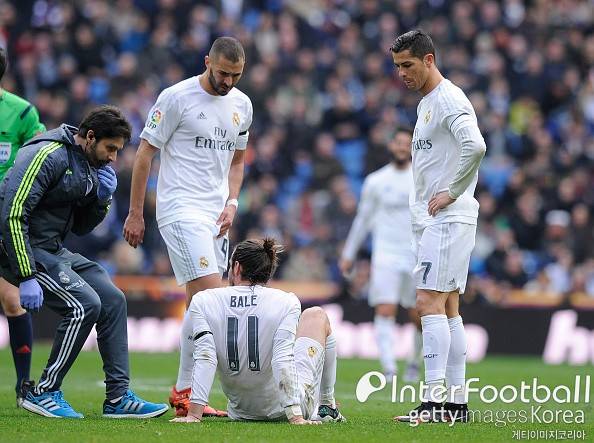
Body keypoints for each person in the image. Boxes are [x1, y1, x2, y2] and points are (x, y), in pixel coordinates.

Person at [0, 105, 168, 419]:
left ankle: (118, 397)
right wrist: (26, 274)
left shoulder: (87, 164)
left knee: (113, 299)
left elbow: (79, 227)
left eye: (117, 151)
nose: (113, 158)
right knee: (85, 304)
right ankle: (45, 391)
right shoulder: (47, 155)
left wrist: (102, 198)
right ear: (90, 137)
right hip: (18, 248)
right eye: (110, 149)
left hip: (51, 248)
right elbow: (11, 214)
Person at [122, 36, 252, 417]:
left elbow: (238, 161)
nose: (228, 82)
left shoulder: (242, 105)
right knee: (214, 300)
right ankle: (227, 393)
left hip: (216, 217)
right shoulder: (176, 98)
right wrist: (135, 213)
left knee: (199, 305)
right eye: (223, 73)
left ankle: (184, 393)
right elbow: (144, 154)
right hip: (180, 209)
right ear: (207, 61)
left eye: (236, 75)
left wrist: (232, 202)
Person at [389, 30, 486, 423]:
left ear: (429, 60)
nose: (402, 73)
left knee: (427, 303)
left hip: (448, 218)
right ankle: (457, 405)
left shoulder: (448, 99)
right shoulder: (426, 103)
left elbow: (475, 145)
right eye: (397, 67)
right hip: (438, 222)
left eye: (408, 65)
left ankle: (432, 403)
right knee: (448, 308)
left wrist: (452, 191)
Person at [170, 238, 345, 424]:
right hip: (289, 407)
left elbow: (206, 357)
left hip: (241, 410)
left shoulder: (203, 300)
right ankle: (327, 406)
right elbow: (282, 358)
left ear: (237, 267)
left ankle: (324, 406)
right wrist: (296, 416)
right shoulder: (286, 301)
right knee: (316, 315)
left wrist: (194, 415)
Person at [339, 128, 423, 382]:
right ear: (391, 145)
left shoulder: (421, 178)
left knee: (418, 314)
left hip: (415, 254)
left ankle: (414, 362)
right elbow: (363, 219)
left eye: (407, 143)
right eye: (398, 142)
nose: (402, 147)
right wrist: (349, 253)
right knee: (385, 308)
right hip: (385, 253)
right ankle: (389, 368)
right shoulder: (376, 181)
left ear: (412, 148)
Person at [0, 46, 46, 405]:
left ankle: (23, 385)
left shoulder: (22, 112)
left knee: (12, 300)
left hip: (5, 217)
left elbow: (39, 156)